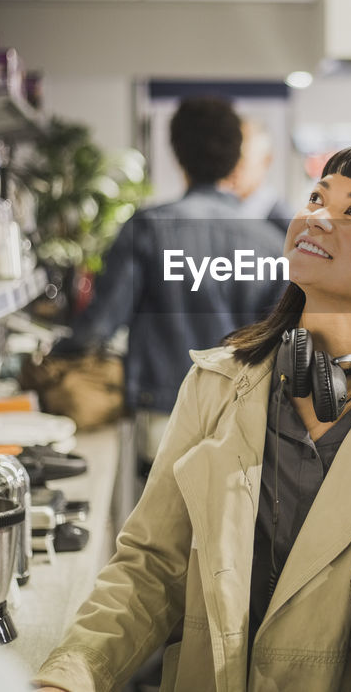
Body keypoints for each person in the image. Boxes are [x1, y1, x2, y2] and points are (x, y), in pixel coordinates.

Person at [35, 144, 351, 692]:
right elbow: (150, 569)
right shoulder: (218, 383)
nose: (317, 215)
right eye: (317, 196)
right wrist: (70, 675)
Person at [52, 96, 286, 464]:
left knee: (165, 517)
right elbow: (280, 337)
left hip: (166, 406)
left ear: (178, 154)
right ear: (235, 157)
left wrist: (55, 355)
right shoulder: (273, 243)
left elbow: (101, 323)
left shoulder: (149, 228)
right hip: (245, 412)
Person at [229, 117, 294, 233]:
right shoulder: (224, 211)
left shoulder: (285, 224)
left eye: (241, 160)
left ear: (266, 160)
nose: (233, 169)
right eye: (229, 159)